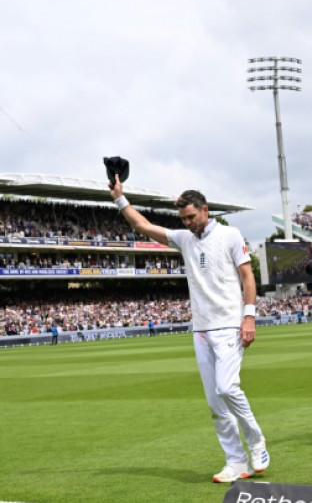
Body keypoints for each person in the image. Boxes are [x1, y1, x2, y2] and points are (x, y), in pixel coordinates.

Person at [109, 176, 269, 483]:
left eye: (191, 217)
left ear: (205, 210)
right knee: (215, 403)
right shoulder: (184, 239)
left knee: (226, 388)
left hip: (230, 325)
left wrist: (249, 317)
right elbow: (143, 226)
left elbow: (248, 277)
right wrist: (120, 198)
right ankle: (236, 462)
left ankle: (256, 440)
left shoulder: (231, 234)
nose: (188, 222)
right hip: (201, 329)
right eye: (183, 219)